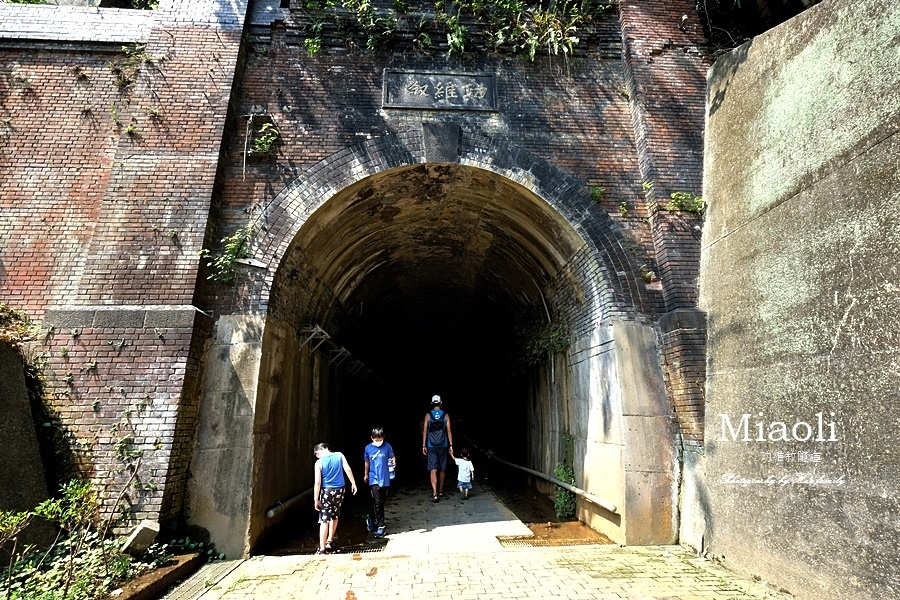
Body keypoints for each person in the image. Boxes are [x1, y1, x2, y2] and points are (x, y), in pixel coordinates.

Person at [313, 442, 357, 554]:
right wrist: (353, 483)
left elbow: (317, 483)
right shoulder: (339, 455)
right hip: (340, 490)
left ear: (319, 451)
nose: (317, 456)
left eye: (316, 454)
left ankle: (322, 549)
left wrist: (316, 499)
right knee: (335, 515)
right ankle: (329, 541)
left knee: (324, 519)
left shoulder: (319, 462)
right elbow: (347, 469)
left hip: (327, 491)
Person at [363, 427, 395, 539]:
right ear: (372, 438)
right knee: (378, 502)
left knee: (381, 502)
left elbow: (392, 457)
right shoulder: (368, 448)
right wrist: (366, 474)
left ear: (383, 437)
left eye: (380, 438)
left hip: (385, 477)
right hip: (374, 478)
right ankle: (381, 526)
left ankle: (371, 517)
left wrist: (393, 462)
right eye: (376, 439)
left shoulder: (387, 446)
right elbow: (367, 462)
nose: (378, 441)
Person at [422, 394, 453, 502]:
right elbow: (448, 431)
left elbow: (425, 431)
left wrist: (424, 445)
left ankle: (435, 493)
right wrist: (451, 445)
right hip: (443, 444)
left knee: (433, 468)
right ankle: (440, 490)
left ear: (432, 403)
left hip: (431, 445)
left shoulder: (428, 415)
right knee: (442, 468)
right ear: (440, 403)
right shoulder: (446, 415)